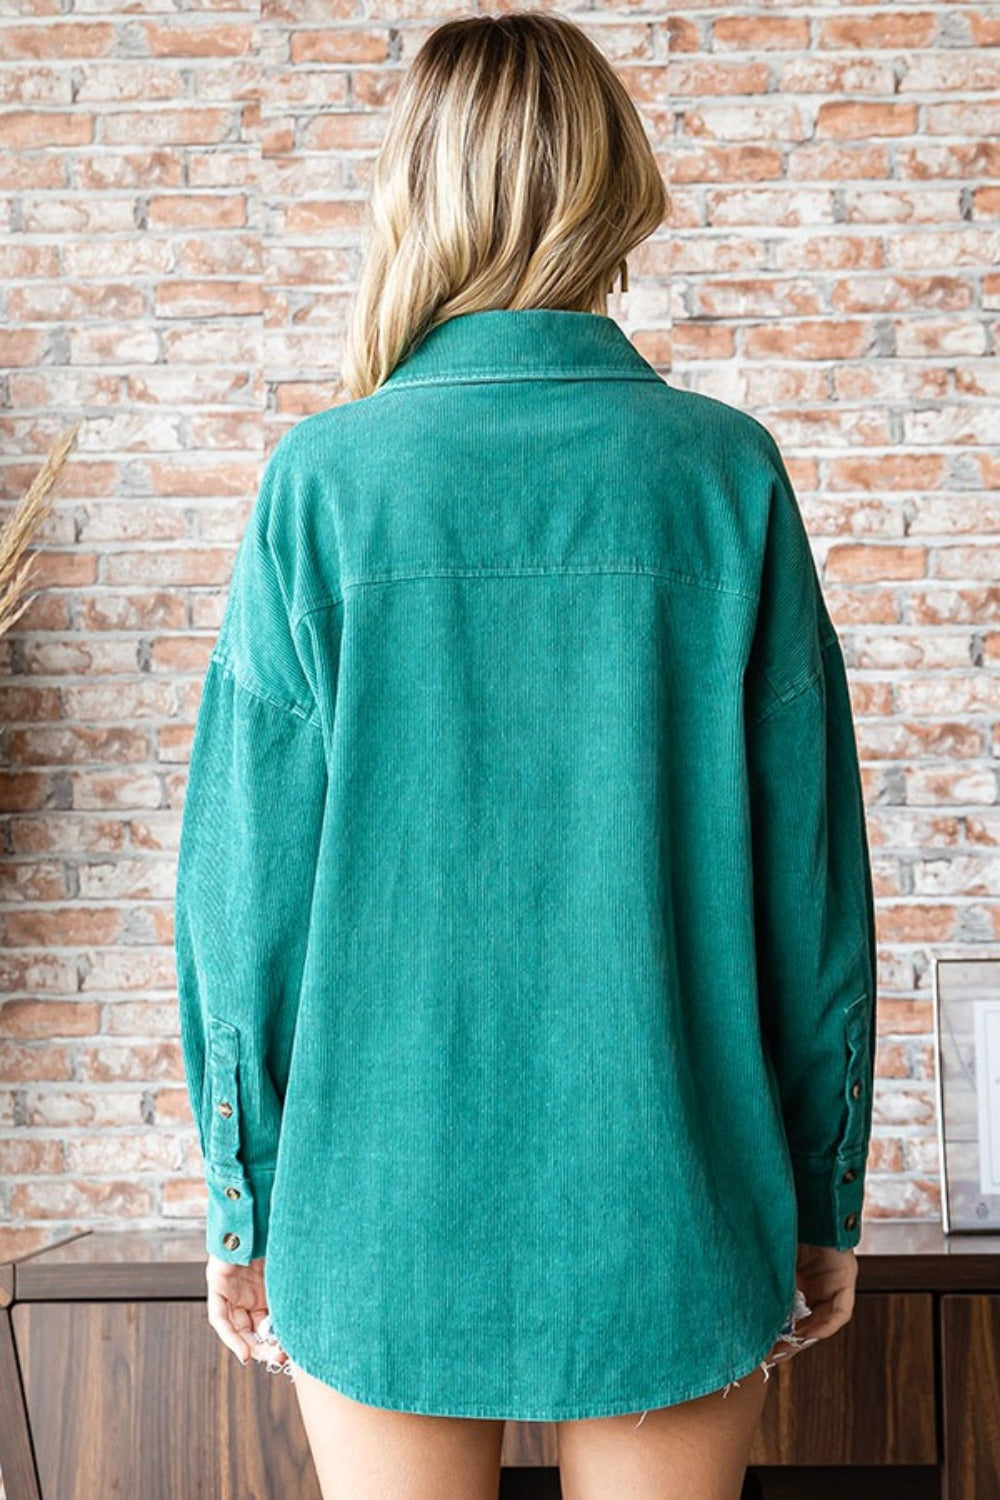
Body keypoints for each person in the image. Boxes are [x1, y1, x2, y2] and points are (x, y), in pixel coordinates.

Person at [173, 11, 879, 1500]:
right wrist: (824, 1193)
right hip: (675, 1203)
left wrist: (242, 1198)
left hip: (374, 1211)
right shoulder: (725, 478)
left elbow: (244, 907)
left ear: (414, 192)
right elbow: (812, 903)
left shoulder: (324, 486)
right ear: (612, 181)